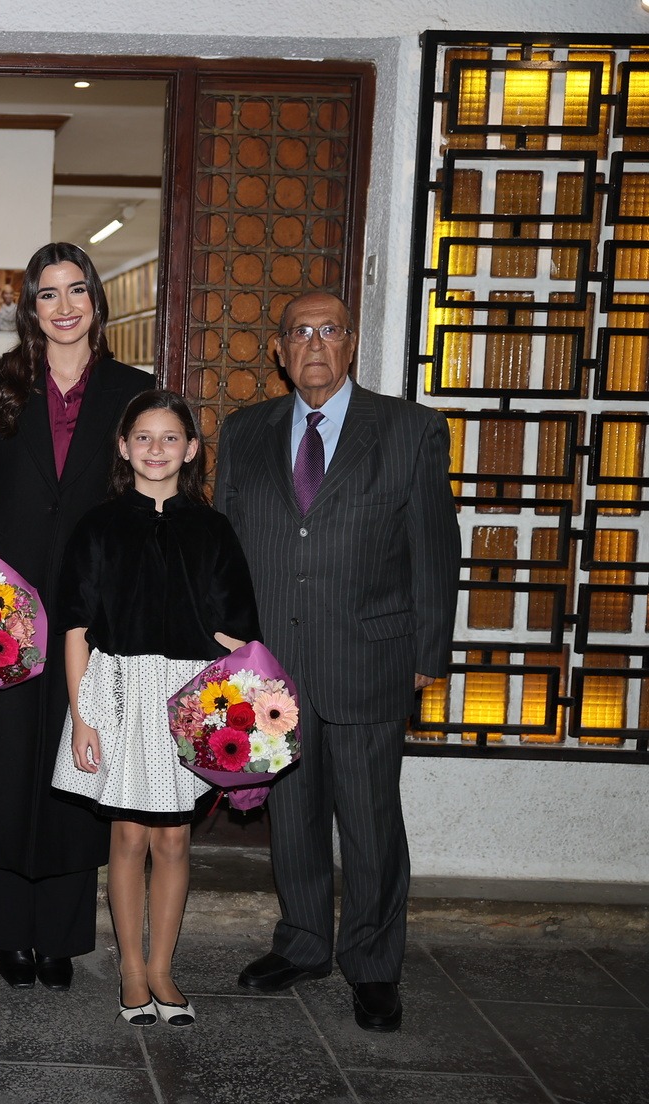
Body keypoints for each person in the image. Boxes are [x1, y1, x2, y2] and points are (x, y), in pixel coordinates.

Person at [215, 291, 459, 1032]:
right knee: (291, 818)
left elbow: (434, 548)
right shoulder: (246, 431)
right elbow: (225, 545)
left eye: (329, 330)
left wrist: (427, 653)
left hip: (370, 658)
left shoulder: (410, 429)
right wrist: (226, 648)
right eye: (300, 331)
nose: (314, 343)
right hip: (272, 668)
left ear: (351, 344)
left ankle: (374, 964)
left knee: (370, 821)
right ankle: (303, 942)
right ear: (280, 351)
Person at [0, 241, 152, 991]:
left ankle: (59, 935)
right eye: (48, 294)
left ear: (96, 300)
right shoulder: (0, 381)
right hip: (1, 607)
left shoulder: (131, 389)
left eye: (76, 291)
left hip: (93, 604)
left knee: (75, 760)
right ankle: (3, 933)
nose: (64, 307)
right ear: (30, 307)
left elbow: (141, 497)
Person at [60, 389, 262, 1026]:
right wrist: (83, 716)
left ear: (192, 450)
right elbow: (76, 628)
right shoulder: (98, 526)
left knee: (174, 838)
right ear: (123, 447)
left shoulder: (213, 528)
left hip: (188, 697)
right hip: (118, 691)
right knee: (127, 834)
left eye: (170, 437)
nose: (156, 449)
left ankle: (163, 968)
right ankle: (130, 968)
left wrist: (236, 706)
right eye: (143, 437)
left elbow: (238, 632)